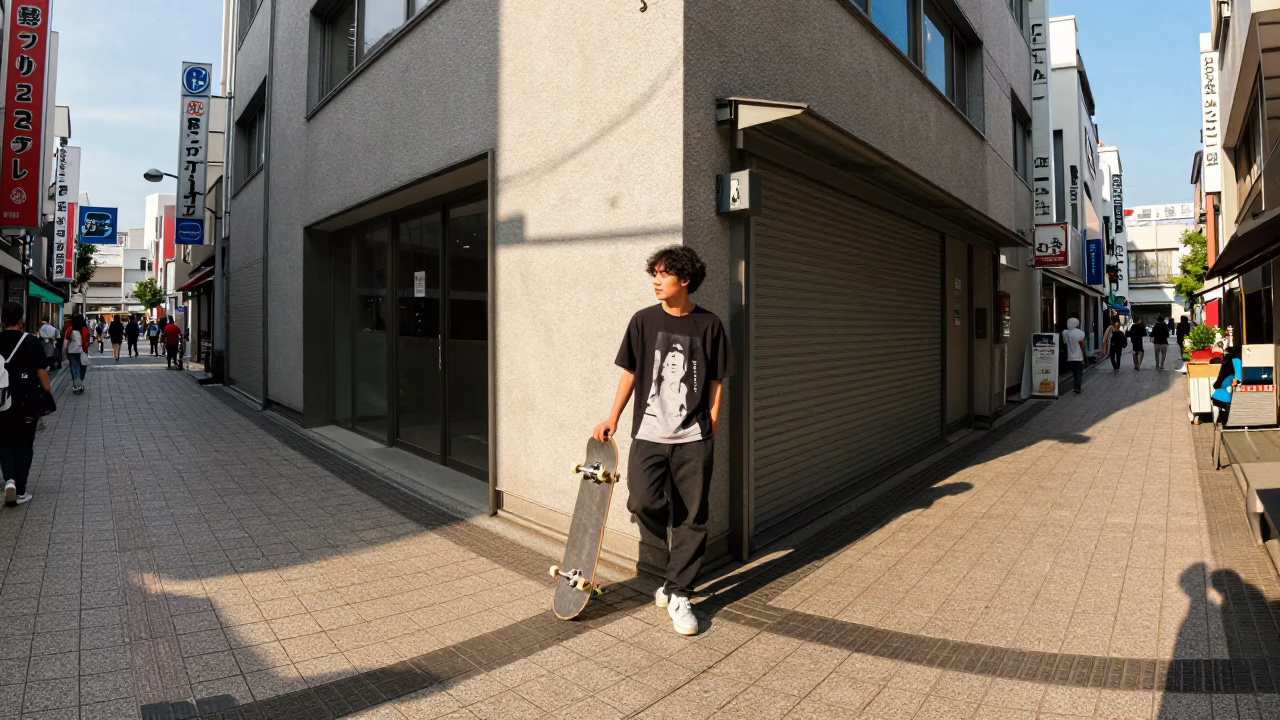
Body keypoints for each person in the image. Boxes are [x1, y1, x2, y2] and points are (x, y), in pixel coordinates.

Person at [593, 246, 732, 636]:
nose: (656, 281)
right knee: (642, 500)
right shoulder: (643, 321)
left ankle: (679, 592)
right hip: (649, 434)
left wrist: (712, 425)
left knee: (693, 518)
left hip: (693, 437)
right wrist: (613, 417)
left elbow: (717, 381)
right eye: (653, 274)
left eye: (663, 274)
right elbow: (630, 373)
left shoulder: (709, 325)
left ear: (684, 280)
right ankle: (676, 573)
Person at [1, 301, 51, 506]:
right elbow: (41, 371)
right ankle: (20, 489)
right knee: (24, 444)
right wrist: (46, 389)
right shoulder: (31, 341)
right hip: (27, 401)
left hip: (1, 400)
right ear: (21, 320)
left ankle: (9, 480)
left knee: (4, 442)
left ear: (2, 320)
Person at [64, 314, 89, 394]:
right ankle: (79, 384)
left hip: (71, 352)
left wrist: (65, 350)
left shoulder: (70, 329)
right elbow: (86, 342)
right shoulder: (85, 330)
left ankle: (76, 386)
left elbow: (66, 340)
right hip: (82, 351)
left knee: (74, 368)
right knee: (83, 368)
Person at [1061, 316, 1086, 394]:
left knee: (1074, 372)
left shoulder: (1065, 332)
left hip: (1070, 357)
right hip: (1078, 356)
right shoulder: (1080, 333)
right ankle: (1077, 387)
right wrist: (1084, 354)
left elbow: (1065, 343)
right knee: (1079, 372)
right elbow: (1082, 344)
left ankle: (1075, 386)